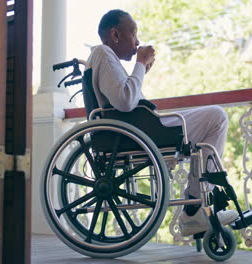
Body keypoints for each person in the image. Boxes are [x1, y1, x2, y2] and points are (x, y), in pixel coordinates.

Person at [87, 9, 238, 236]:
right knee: (217, 117)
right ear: (115, 34)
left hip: (139, 129)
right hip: (141, 133)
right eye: (134, 33)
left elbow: (125, 99)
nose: (137, 41)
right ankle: (194, 209)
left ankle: (195, 208)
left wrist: (141, 71)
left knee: (211, 122)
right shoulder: (103, 53)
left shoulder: (103, 57)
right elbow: (126, 101)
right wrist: (139, 63)